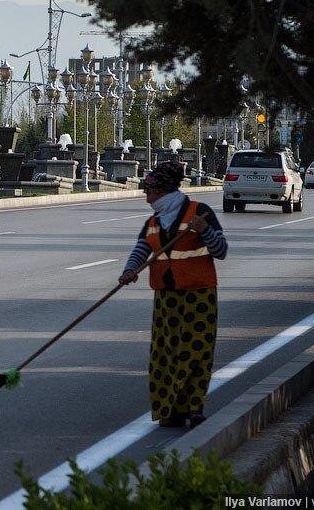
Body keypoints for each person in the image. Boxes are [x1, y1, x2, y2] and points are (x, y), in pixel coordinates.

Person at [117, 160, 228, 428]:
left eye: (149, 192)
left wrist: (204, 231)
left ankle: (194, 407)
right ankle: (170, 410)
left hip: (198, 295)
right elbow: (141, 249)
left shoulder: (198, 213)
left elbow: (221, 251)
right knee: (164, 355)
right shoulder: (154, 221)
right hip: (166, 297)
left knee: (195, 352)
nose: (146, 198)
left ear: (163, 191)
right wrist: (129, 271)